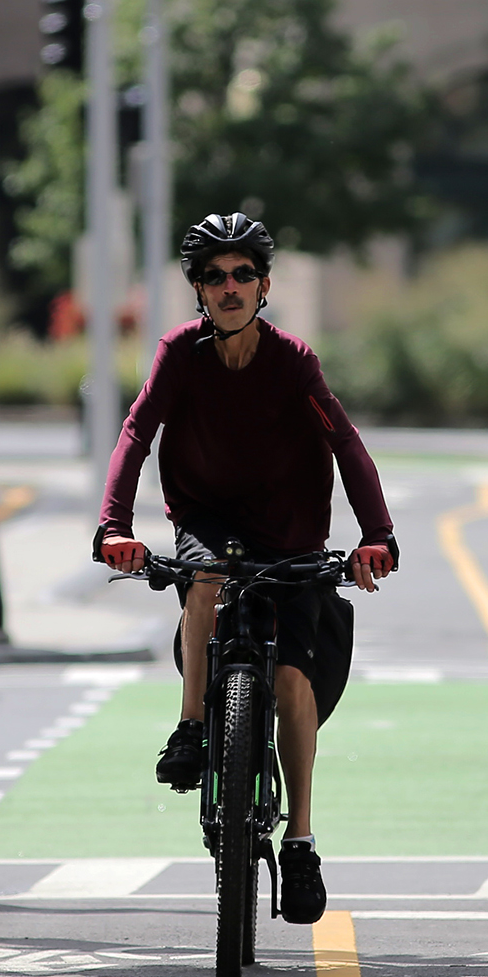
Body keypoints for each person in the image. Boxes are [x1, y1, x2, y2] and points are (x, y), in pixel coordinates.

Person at [95, 213, 398, 925]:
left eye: (242, 275)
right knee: (204, 581)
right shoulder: (180, 353)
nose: (228, 288)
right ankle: (193, 729)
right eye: (213, 276)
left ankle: (300, 841)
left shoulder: (294, 361)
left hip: (289, 531)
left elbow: (346, 443)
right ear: (197, 288)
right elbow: (137, 432)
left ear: (263, 285)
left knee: (293, 680)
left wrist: (377, 534)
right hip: (209, 522)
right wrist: (115, 525)